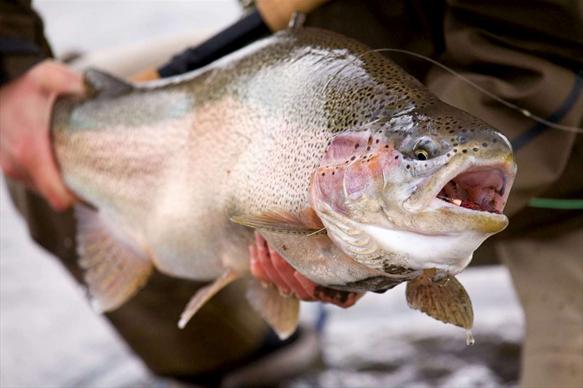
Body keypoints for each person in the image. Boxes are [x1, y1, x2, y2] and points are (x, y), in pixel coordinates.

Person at [2, 0, 582, 387]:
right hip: (301, 84)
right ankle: (255, 364)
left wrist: (363, 258)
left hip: (559, 160)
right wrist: (11, 65)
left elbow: (542, 74)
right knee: (58, 124)